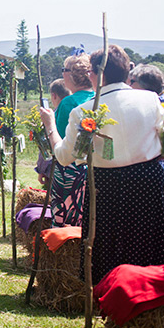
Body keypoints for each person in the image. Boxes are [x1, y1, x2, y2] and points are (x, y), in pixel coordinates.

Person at [40, 44, 164, 285]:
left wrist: (50, 126)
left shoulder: (83, 111)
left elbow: (64, 157)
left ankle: (112, 303)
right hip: (149, 182)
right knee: (149, 252)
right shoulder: (150, 99)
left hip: (107, 187)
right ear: (126, 72)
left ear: (94, 74)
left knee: (111, 256)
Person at [49, 54, 95, 227]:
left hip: (69, 170)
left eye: (64, 70)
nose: (62, 74)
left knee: (66, 218)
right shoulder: (96, 98)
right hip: (92, 168)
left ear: (73, 75)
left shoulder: (69, 102)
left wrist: (48, 124)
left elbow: (60, 140)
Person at [36, 78, 71, 186]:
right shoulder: (76, 110)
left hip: (55, 167)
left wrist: (41, 169)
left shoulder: (52, 117)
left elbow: (46, 146)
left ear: (54, 95)